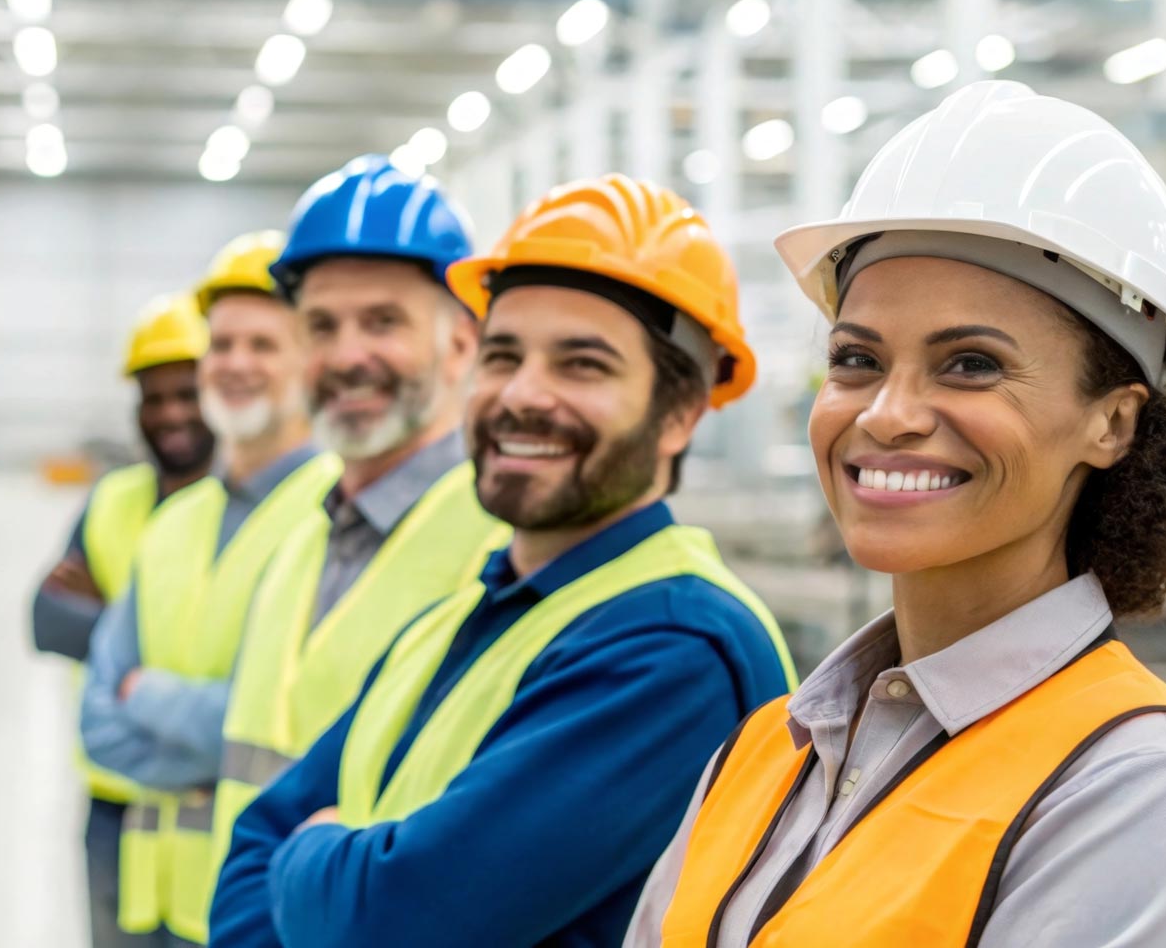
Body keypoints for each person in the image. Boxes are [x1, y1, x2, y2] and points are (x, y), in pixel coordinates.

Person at [628, 80, 1166, 948]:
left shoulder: (1139, 791)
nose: (886, 413)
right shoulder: (765, 752)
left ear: (1112, 422)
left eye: (971, 365)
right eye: (856, 359)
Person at [209, 175, 798, 947]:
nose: (523, 395)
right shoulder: (463, 616)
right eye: (503, 355)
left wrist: (311, 860)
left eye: (581, 364)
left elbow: (393, 924)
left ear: (680, 412)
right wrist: (334, 872)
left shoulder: (673, 649)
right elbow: (246, 861)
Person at [178, 155, 509, 944]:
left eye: (384, 322)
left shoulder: (504, 546)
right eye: (323, 326)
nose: (348, 354)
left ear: (461, 345)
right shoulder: (300, 532)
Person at [78, 230, 338, 947]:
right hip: (147, 895)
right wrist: (219, 729)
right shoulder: (175, 520)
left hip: (256, 902)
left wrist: (150, 696)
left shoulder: (335, 516)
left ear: (309, 362)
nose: (235, 365)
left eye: (262, 345)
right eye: (221, 346)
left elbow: (308, 737)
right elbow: (97, 723)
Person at [28, 293, 216, 948]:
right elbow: (45, 619)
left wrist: (110, 635)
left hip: (214, 795)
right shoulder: (113, 499)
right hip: (116, 801)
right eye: (154, 397)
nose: (170, 414)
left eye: (187, 394)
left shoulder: (250, 511)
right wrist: (142, 650)